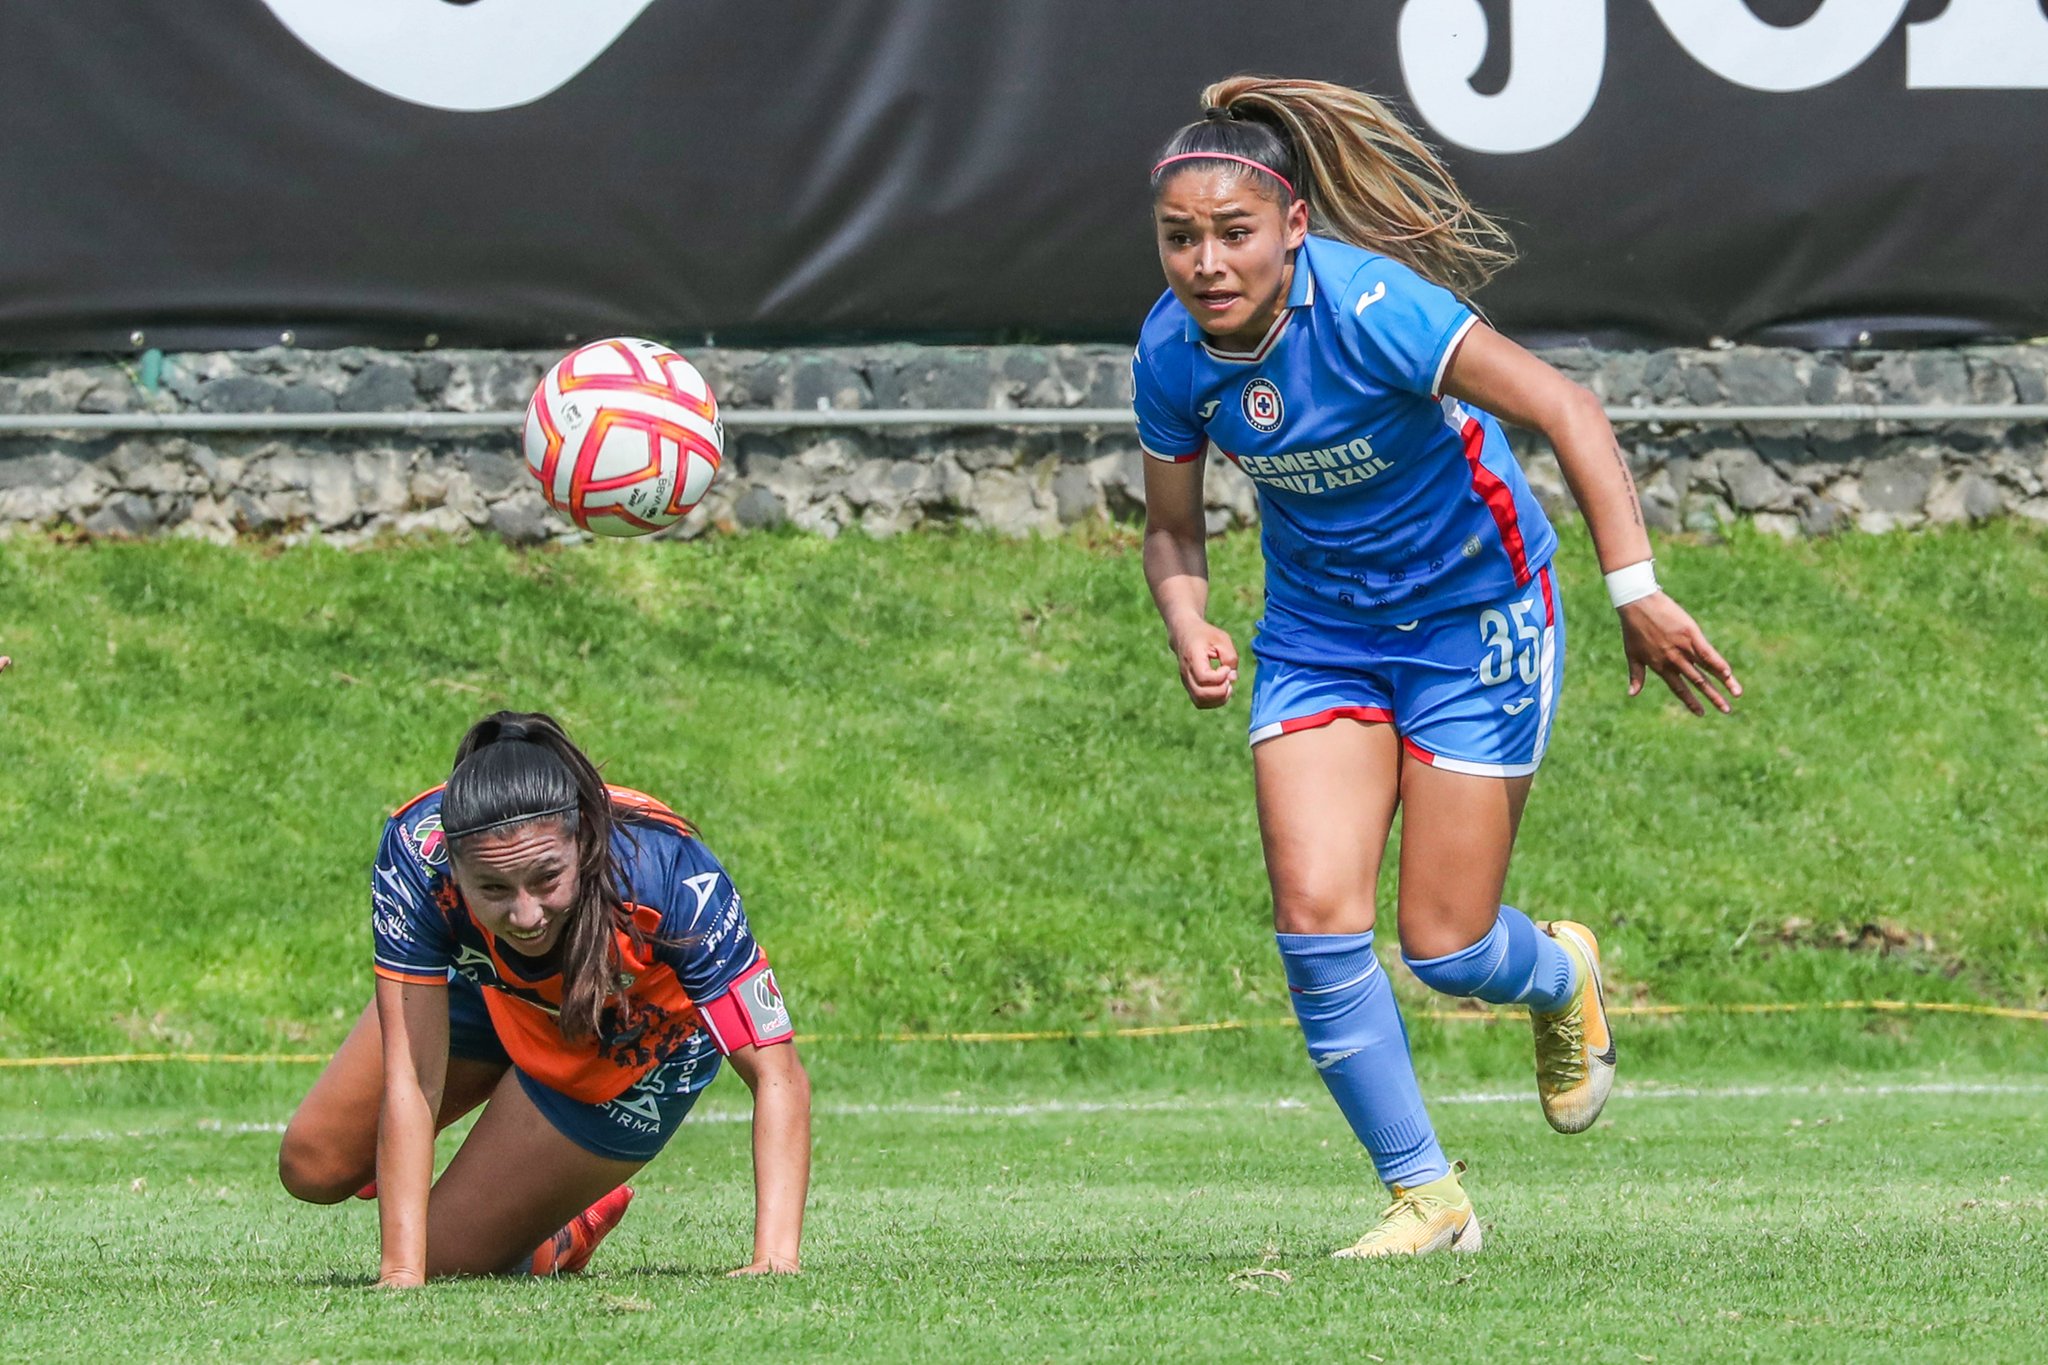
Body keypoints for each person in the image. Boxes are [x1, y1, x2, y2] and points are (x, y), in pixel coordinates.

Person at [1134, 77, 1739, 1258]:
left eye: (1231, 232)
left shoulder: (1372, 308)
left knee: (1447, 947)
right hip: (1320, 639)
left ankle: (1558, 976)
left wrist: (1636, 590)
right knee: (1313, 917)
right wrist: (1185, 614)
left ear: (1293, 226)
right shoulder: (1169, 352)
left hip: (1476, 616)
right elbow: (1171, 526)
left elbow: (1565, 407)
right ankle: (1428, 1198)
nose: (1204, 261)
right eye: (1178, 238)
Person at [278, 711, 811, 1284]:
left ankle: (563, 1232)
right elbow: (414, 1077)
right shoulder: (416, 854)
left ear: (581, 842)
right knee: (313, 1165)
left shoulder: (669, 874)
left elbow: (775, 1072)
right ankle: (436, 1173)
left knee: (444, 1260)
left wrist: (774, 1258)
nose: (526, 915)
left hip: (630, 1038)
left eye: (547, 878)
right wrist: (398, 1273)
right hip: (492, 989)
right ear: (453, 867)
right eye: (493, 888)